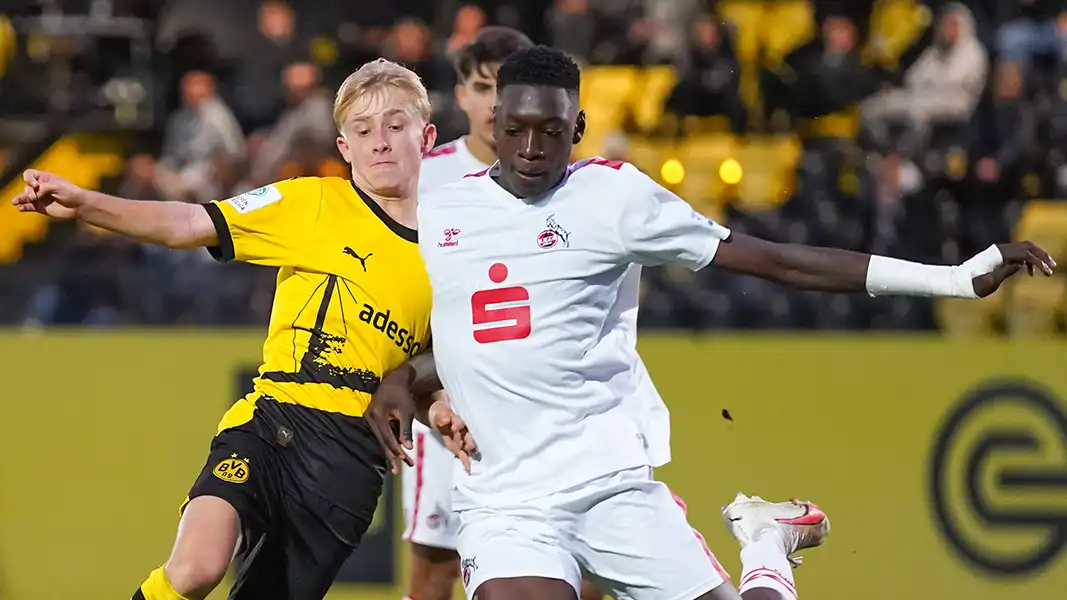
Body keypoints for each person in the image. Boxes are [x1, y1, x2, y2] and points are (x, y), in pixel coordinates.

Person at [365, 46, 1056, 600]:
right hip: (505, 502)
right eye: (513, 129)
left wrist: (951, 279)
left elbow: (780, 263)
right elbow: (473, 339)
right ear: (492, 126)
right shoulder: (445, 210)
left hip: (608, 485)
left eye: (550, 131)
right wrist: (405, 380)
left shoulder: (613, 198)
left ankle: (763, 542)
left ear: (576, 128)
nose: (529, 147)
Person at [12, 58, 438, 600]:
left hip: (349, 465)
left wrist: (438, 404)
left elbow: (439, 362)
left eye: (395, 126)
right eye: (362, 130)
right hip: (273, 421)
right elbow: (190, 223)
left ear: (426, 136)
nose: (380, 142)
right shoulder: (311, 202)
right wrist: (86, 204)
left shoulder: (450, 252)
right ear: (343, 148)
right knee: (195, 568)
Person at [407, 26, 612, 600]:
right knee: (436, 565)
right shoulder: (426, 178)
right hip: (450, 400)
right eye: (480, 85)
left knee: (587, 571)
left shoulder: (575, 180)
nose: (491, 99)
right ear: (464, 95)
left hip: (549, 410)